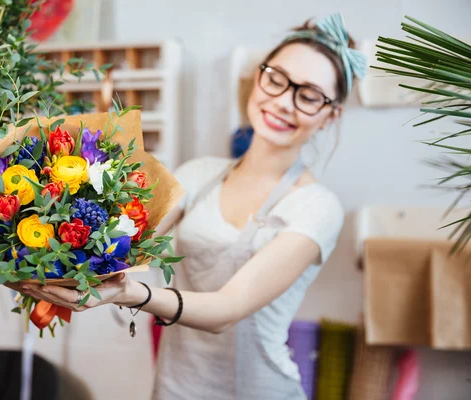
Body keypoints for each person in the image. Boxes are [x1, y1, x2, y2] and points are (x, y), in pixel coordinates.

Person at [21, 13, 367, 400]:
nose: (284, 102)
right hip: (174, 389)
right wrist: (38, 232)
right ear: (258, 77)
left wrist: (130, 294)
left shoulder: (317, 207)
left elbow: (228, 309)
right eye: (277, 78)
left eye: (308, 95)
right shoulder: (198, 174)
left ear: (330, 114)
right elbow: (120, 241)